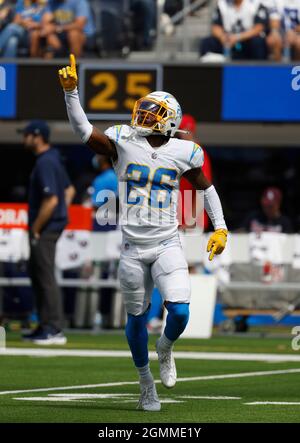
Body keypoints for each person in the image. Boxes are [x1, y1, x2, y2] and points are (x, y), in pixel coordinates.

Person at [59, 55, 228, 411]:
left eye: (154, 112)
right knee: (135, 317)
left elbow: (206, 189)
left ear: (170, 122)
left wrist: (221, 227)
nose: (145, 116)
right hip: (133, 247)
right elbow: (84, 132)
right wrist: (72, 93)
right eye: (145, 109)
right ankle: (145, 383)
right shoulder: (123, 140)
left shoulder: (186, 151)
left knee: (179, 313)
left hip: (167, 242)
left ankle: (164, 349)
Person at [20, 120, 75, 344]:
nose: (24, 139)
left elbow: (52, 199)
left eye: (26, 135)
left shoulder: (45, 162)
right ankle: (44, 325)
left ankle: (53, 328)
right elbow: (68, 190)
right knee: (38, 275)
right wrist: (62, 215)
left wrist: (37, 228)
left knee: (45, 277)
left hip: (44, 229)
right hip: (51, 226)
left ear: (37, 136)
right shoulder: (52, 158)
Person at [176, 114, 212, 230]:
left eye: (181, 131)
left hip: (193, 225)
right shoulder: (181, 153)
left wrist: (191, 222)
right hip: (179, 224)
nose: (178, 135)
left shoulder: (197, 154)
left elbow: (203, 190)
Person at [200, 0, 268, 60]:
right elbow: (215, 27)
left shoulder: (255, 3)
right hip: (228, 40)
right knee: (207, 42)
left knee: (257, 42)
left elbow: (259, 27)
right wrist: (222, 37)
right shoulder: (222, 4)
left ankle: (258, 71)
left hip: (247, 40)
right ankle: (208, 71)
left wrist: (238, 37)